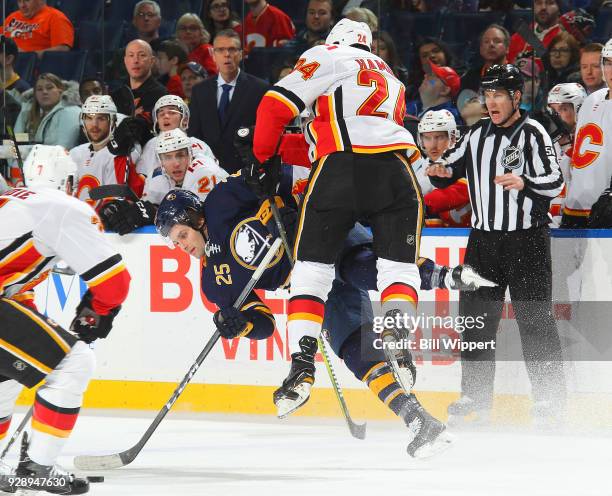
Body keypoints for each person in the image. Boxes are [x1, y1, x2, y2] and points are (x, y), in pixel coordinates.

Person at [154, 176, 493, 456]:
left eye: (182, 234)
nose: (181, 245)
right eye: (175, 242)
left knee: (362, 267)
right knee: (357, 352)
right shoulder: (214, 282)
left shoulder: (223, 199)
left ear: (196, 218)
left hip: (324, 237)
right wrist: (240, 325)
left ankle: (446, 277)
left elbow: (279, 176)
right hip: (309, 290)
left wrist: (283, 206)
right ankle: (418, 419)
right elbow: (264, 325)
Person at [252, 19, 439, 438]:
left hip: (340, 167)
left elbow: (274, 106)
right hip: (398, 172)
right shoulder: (389, 75)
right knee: (398, 269)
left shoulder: (327, 55)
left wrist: (262, 158)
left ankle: (301, 364)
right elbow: (328, 132)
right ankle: (397, 337)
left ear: (333, 42)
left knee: (312, 272)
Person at [426, 64, 566, 425]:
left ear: (516, 97)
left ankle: (550, 401)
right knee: (475, 324)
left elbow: (554, 181)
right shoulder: (476, 135)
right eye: (487, 95)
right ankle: (475, 397)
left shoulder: (533, 132)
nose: (491, 102)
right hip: (483, 242)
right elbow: (450, 167)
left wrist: (524, 181)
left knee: (535, 321)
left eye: (498, 95)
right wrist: (439, 173)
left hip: (526, 240)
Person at [0, 144, 130, 494]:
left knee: (8, 374)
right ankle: (37, 467)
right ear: (70, 181)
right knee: (75, 363)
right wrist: (97, 312)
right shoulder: (62, 206)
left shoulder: (13, 202)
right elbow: (114, 283)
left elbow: (15, 296)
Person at [188, 30, 269, 174]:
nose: (227, 54)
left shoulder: (259, 89)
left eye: (232, 49)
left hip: (246, 172)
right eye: (220, 50)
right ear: (213, 55)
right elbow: (194, 136)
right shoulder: (199, 91)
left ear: (241, 54)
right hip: (208, 172)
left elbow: (263, 133)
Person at [561, 38, 612, 228]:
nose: (611, 70)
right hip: (575, 206)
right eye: (608, 63)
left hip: (605, 208)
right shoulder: (592, 100)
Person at [70, 95, 144, 209]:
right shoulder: (75, 153)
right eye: (89, 118)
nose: (94, 124)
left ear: (113, 122)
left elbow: (116, 200)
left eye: (101, 118)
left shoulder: (124, 153)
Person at [136, 94, 218, 178]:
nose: (166, 116)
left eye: (172, 112)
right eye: (161, 114)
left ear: (185, 119)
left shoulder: (198, 145)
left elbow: (212, 175)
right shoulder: (151, 144)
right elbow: (142, 176)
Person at [413, 110, 471, 227]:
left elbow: (462, 191)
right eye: (427, 138)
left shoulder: (467, 158)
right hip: (444, 238)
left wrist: (417, 205)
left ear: (453, 137)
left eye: (439, 137)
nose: (433, 145)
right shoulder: (420, 169)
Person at [545, 82, 586, 226]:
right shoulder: (543, 145)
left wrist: (566, 144)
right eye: (553, 111)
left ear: (579, 109)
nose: (556, 116)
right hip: (548, 227)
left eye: (563, 109)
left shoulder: (590, 143)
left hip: (579, 225)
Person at [14, 73, 81, 149]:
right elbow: (15, 140)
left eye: (49, 88)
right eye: (39, 89)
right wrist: (15, 160)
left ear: (60, 91)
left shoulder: (70, 112)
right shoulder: (27, 111)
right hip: (27, 159)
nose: (44, 92)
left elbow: (62, 148)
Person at [111, 39, 168, 119]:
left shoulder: (161, 95)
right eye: (131, 55)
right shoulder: (116, 95)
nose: (135, 61)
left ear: (152, 61)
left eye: (142, 55)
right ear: (125, 61)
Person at [1, 0, 73, 56]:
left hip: (31, 68)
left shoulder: (56, 17)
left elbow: (62, 49)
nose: (22, 5)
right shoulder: (12, 17)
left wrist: (26, 55)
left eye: (27, 0)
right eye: (19, 1)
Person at [508, 0, 562, 65]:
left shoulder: (564, 37)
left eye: (550, 3)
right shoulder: (518, 37)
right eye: (538, 3)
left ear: (559, 9)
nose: (543, 7)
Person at [461, 24, 510, 93]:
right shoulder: (469, 77)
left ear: (507, 48)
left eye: (497, 41)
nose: (491, 44)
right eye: (486, 41)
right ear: (481, 49)